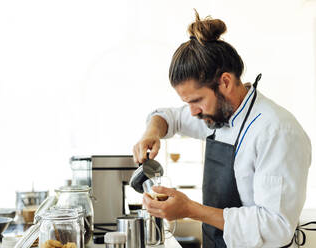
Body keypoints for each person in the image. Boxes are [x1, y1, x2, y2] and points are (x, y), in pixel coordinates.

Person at [133, 10, 312, 248]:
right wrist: (152, 132)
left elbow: (276, 227)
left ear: (225, 82)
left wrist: (190, 209)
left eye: (196, 100)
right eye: (188, 103)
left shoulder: (277, 131)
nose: (193, 112)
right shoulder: (218, 113)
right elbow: (169, 117)